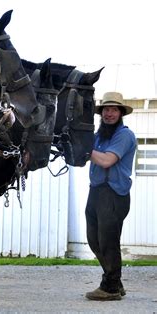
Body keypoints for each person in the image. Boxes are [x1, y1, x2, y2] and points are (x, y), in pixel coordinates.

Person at [84, 91, 137, 301]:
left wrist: (85, 149)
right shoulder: (98, 136)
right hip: (96, 191)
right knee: (93, 240)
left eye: (114, 109)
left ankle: (111, 287)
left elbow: (106, 160)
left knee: (108, 241)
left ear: (121, 113)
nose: (109, 113)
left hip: (114, 194)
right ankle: (115, 281)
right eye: (106, 109)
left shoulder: (124, 135)